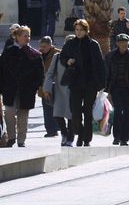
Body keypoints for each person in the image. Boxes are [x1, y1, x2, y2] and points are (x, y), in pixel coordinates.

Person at [60, 19, 106, 147]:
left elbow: (100, 64)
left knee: (87, 111)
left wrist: (101, 84)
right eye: (77, 30)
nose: (79, 32)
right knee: (75, 111)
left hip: (90, 83)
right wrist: (67, 61)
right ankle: (79, 132)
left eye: (81, 30)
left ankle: (86, 138)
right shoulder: (70, 43)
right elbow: (62, 57)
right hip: (75, 83)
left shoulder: (93, 44)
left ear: (86, 31)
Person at [0, 26, 44, 148]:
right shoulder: (8, 52)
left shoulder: (35, 55)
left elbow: (39, 74)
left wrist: (34, 87)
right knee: (9, 113)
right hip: (10, 89)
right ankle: (11, 137)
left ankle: (21, 140)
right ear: (17, 37)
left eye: (28, 36)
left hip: (26, 91)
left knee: (23, 116)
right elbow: (2, 71)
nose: (27, 38)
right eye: (24, 36)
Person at [105, 33, 129, 146]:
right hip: (115, 88)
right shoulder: (110, 56)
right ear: (117, 43)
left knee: (128, 113)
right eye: (121, 42)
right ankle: (116, 136)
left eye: (125, 42)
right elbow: (107, 74)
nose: (123, 44)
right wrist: (107, 91)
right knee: (118, 112)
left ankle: (124, 138)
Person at [43, 34, 76, 147]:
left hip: (74, 91)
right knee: (57, 114)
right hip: (59, 90)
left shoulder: (79, 56)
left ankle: (70, 137)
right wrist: (46, 89)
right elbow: (50, 73)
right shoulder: (57, 57)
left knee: (72, 116)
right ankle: (64, 133)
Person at [38, 36, 60, 137]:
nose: (42, 48)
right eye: (41, 46)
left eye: (45, 46)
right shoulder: (38, 55)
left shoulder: (58, 54)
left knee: (56, 108)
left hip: (56, 85)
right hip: (44, 86)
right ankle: (50, 130)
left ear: (50, 45)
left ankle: (56, 127)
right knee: (47, 109)